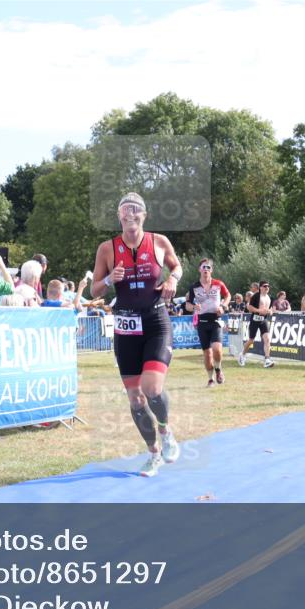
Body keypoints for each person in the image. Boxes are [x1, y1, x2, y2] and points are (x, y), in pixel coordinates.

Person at [90, 192, 182, 478]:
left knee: (152, 388)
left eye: (136, 210)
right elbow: (94, 290)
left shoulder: (158, 241)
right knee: (135, 399)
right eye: (124, 210)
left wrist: (172, 279)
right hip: (125, 327)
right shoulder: (107, 248)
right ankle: (153, 454)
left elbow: (176, 266)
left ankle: (166, 431)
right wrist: (108, 280)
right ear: (119, 216)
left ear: (144, 215)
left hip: (155, 321)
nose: (130, 214)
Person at [184, 258, 230, 387]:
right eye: (203, 267)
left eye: (208, 267)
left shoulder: (219, 283)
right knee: (207, 354)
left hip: (216, 320)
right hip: (202, 322)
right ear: (199, 269)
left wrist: (223, 306)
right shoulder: (194, 287)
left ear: (212, 270)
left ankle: (219, 369)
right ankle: (210, 379)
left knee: (217, 349)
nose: (206, 270)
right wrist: (193, 308)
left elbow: (228, 296)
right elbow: (187, 305)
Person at [239, 280, 275, 368]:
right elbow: (249, 307)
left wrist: (270, 312)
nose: (267, 288)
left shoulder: (269, 297)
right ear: (260, 287)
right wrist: (259, 311)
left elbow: (270, 309)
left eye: (268, 286)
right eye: (265, 286)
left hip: (263, 320)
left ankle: (267, 360)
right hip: (255, 320)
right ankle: (242, 355)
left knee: (267, 339)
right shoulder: (256, 296)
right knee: (251, 340)